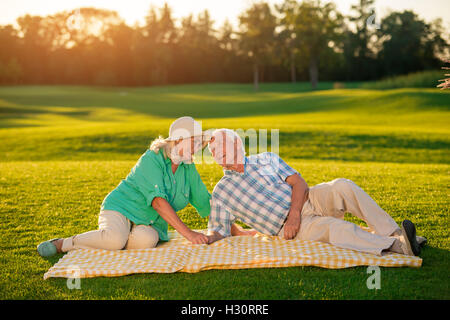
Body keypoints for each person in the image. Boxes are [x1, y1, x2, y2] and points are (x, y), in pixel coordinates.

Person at [205, 128, 426, 257]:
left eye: (226, 148)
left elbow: (299, 183)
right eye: (217, 153)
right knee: (335, 228)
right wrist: (199, 237)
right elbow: (218, 230)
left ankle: (394, 232)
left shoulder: (266, 158)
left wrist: (295, 213)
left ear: (238, 145)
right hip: (289, 228)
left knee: (342, 185)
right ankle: (398, 247)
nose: (223, 156)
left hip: (307, 200)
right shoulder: (222, 192)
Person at [37, 116, 213, 257]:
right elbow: (158, 202)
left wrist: (230, 227)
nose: (197, 148)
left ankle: (114, 242)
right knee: (115, 240)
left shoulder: (188, 166)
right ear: (178, 140)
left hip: (148, 222)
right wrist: (189, 234)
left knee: (147, 241)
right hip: (121, 207)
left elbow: (203, 199)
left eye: (199, 143)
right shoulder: (152, 158)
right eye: (194, 142)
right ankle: (63, 244)